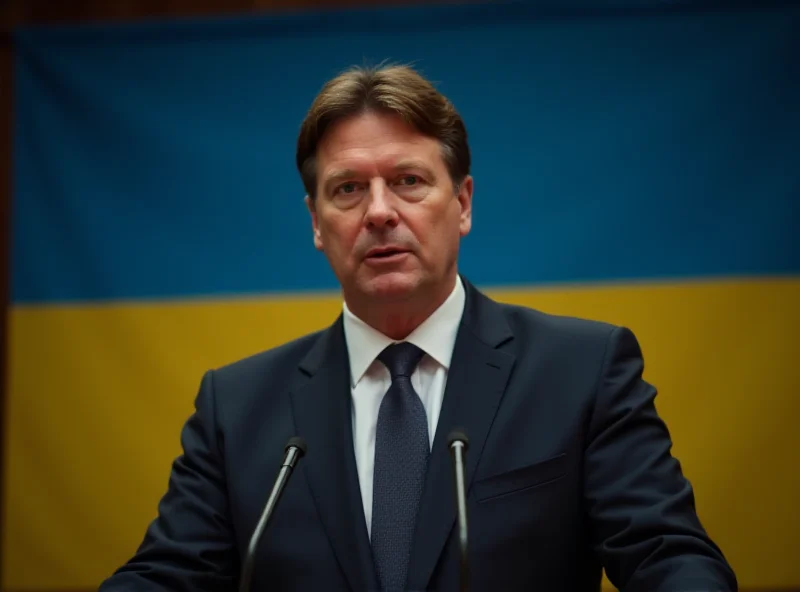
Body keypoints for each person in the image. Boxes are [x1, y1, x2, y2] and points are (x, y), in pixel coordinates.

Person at [99, 64, 737, 591]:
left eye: (408, 181)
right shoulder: (236, 408)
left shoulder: (581, 371)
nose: (379, 212)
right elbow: (167, 575)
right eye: (348, 189)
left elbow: (669, 559)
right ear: (316, 223)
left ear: (461, 204)